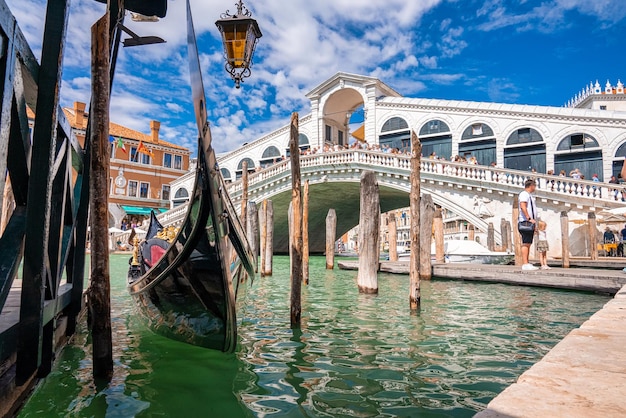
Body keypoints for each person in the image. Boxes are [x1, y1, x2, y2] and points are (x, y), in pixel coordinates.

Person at [518, 179, 538, 270]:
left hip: (529, 221)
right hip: (525, 222)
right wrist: (529, 218)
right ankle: (525, 263)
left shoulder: (528, 195)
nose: (535, 188)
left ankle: (527, 262)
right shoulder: (524, 194)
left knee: (528, 242)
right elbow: (523, 206)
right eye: (535, 186)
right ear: (531, 186)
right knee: (526, 242)